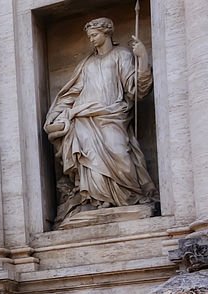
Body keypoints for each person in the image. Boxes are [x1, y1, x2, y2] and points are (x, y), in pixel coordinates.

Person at [44, 17, 156, 223]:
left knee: (120, 153)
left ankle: (129, 196)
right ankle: (96, 199)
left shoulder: (121, 55)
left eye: (95, 35)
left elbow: (137, 90)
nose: (92, 40)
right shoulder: (87, 64)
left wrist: (143, 58)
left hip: (113, 115)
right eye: (89, 37)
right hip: (85, 118)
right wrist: (56, 114)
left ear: (107, 33)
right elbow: (71, 94)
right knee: (88, 157)